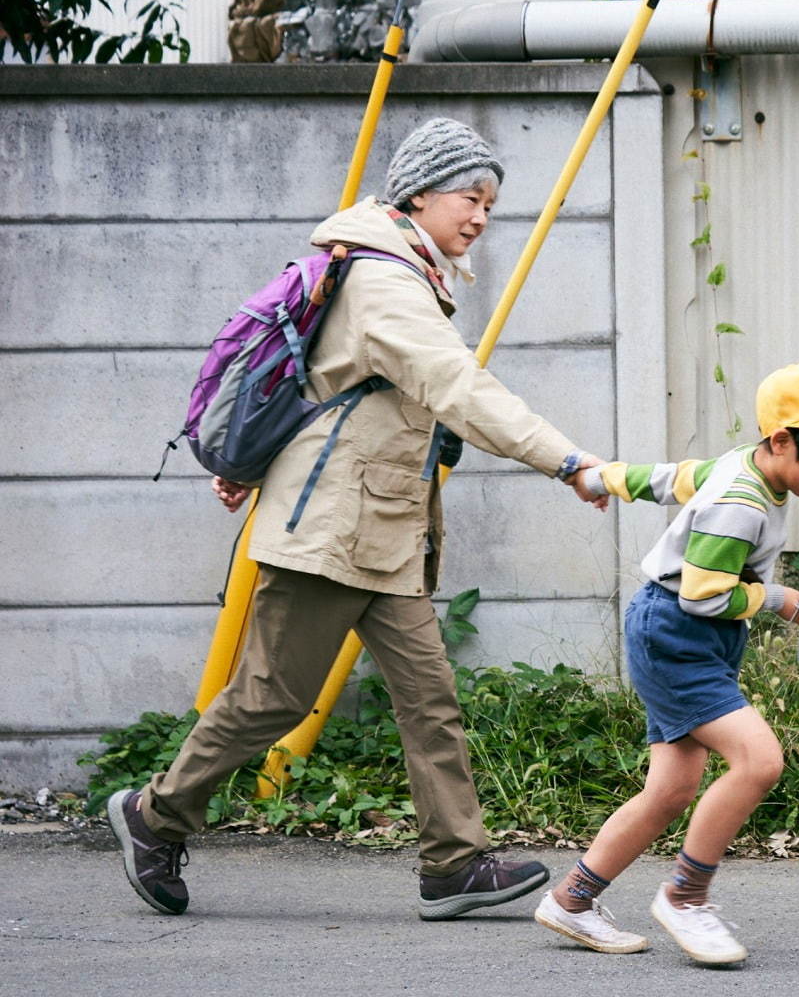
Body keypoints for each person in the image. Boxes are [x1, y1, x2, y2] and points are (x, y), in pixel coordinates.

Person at [108, 117, 607, 920]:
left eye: (490, 202)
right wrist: (568, 460)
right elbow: (457, 387)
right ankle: (153, 815)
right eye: (468, 196)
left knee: (430, 697)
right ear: (418, 193)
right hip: (331, 530)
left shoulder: (408, 272)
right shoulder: (384, 281)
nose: (481, 215)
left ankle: (453, 863)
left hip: (383, 532)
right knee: (271, 699)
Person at [533, 356, 799, 965]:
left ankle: (572, 900)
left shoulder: (741, 467)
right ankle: (686, 897)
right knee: (759, 760)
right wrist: (775, 598)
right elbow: (705, 595)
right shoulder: (743, 505)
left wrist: (601, 479)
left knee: (671, 789)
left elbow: (670, 477)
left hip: (686, 633)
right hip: (678, 635)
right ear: (782, 441)